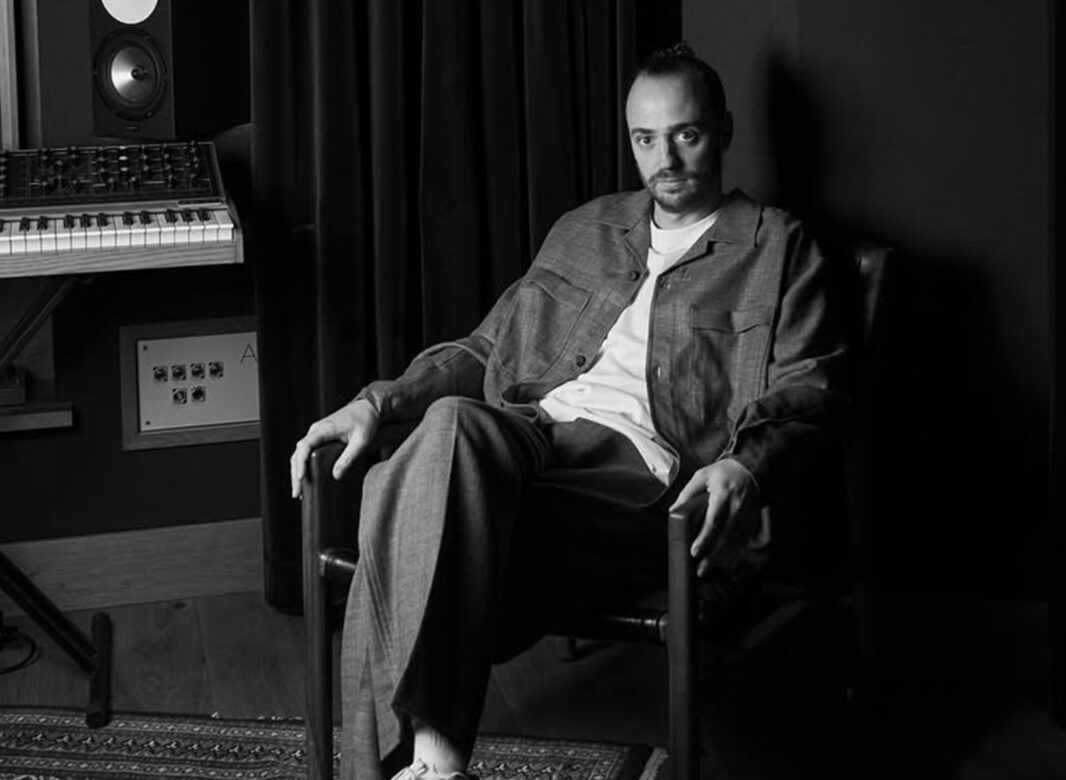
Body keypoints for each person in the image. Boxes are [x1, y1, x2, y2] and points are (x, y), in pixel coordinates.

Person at [290, 42, 849, 780]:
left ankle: (417, 764)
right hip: (527, 439)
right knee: (448, 426)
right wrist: (376, 402)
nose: (665, 160)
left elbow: (810, 389)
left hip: (641, 478)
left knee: (398, 494)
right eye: (645, 139)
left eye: (685, 134)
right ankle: (436, 768)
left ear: (723, 129)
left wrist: (746, 466)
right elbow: (487, 349)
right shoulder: (587, 228)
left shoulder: (777, 248)